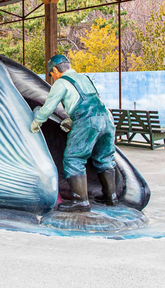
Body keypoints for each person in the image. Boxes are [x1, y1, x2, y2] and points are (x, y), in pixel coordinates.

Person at [30, 55, 117, 212]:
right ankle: (111, 197)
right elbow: (91, 103)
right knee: (104, 158)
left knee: (73, 159)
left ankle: (80, 201)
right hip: (107, 119)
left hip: (88, 121)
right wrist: (71, 121)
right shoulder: (85, 78)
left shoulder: (61, 83)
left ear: (55, 70)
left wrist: (36, 123)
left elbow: (49, 106)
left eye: (51, 74)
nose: (52, 77)